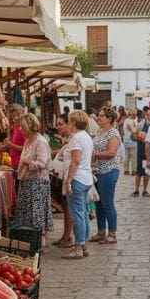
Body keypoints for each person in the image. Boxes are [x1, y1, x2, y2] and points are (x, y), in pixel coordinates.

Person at [14, 114, 53, 251]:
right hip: (26, 180)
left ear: (29, 127)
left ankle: (39, 240)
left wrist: (28, 163)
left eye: (22, 127)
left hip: (37, 182)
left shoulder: (40, 142)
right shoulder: (28, 141)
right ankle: (28, 238)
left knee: (36, 212)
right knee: (27, 211)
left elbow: (43, 163)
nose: (20, 130)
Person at [62, 110, 94, 259]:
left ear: (74, 122)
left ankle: (78, 247)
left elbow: (75, 161)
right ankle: (84, 245)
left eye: (69, 121)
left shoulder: (76, 138)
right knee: (84, 213)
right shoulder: (86, 137)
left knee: (78, 215)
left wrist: (68, 180)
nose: (68, 124)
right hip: (86, 177)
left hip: (78, 178)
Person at [90, 107, 121, 244]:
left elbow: (111, 153)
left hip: (108, 171)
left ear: (109, 119)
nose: (98, 117)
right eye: (98, 115)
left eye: (101, 116)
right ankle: (101, 231)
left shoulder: (113, 133)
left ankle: (112, 233)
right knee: (98, 203)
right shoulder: (99, 132)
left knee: (107, 203)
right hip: (97, 171)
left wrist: (94, 155)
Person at [51, 114, 75, 248]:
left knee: (70, 208)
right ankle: (66, 236)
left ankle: (70, 239)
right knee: (66, 207)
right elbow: (62, 151)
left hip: (69, 177)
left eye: (61, 124)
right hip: (64, 176)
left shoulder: (73, 139)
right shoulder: (68, 139)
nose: (58, 127)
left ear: (69, 124)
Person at [132, 109, 150, 197]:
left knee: (147, 171)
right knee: (139, 171)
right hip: (141, 149)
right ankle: (137, 190)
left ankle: (145, 190)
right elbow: (134, 134)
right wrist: (141, 138)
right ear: (147, 115)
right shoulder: (142, 123)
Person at [5, 103, 26, 189]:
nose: (15, 119)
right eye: (13, 118)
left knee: (19, 190)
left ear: (21, 112)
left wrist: (10, 145)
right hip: (15, 163)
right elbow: (17, 140)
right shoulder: (16, 124)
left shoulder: (24, 127)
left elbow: (27, 148)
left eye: (16, 117)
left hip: (22, 164)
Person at [122, 108, 139, 175]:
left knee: (126, 156)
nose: (135, 115)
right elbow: (133, 130)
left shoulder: (126, 120)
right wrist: (138, 126)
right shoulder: (130, 121)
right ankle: (134, 170)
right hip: (132, 140)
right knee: (133, 156)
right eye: (134, 114)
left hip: (126, 140)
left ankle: (126, 170)